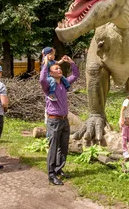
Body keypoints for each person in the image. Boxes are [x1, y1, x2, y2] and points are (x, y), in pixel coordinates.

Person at [39, 55, 79, 185]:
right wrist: (46, 64)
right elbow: (41, 78)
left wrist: (71, 62)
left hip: (64, 120)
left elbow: (76, 75)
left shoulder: (63, 82)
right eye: (56, 69)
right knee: (53, 147)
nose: (59, 70)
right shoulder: (47, 85)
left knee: (63, 146)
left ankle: (59, 169)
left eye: (60, 68)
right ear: (51, 73)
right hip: (54, 120)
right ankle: (51, 174)